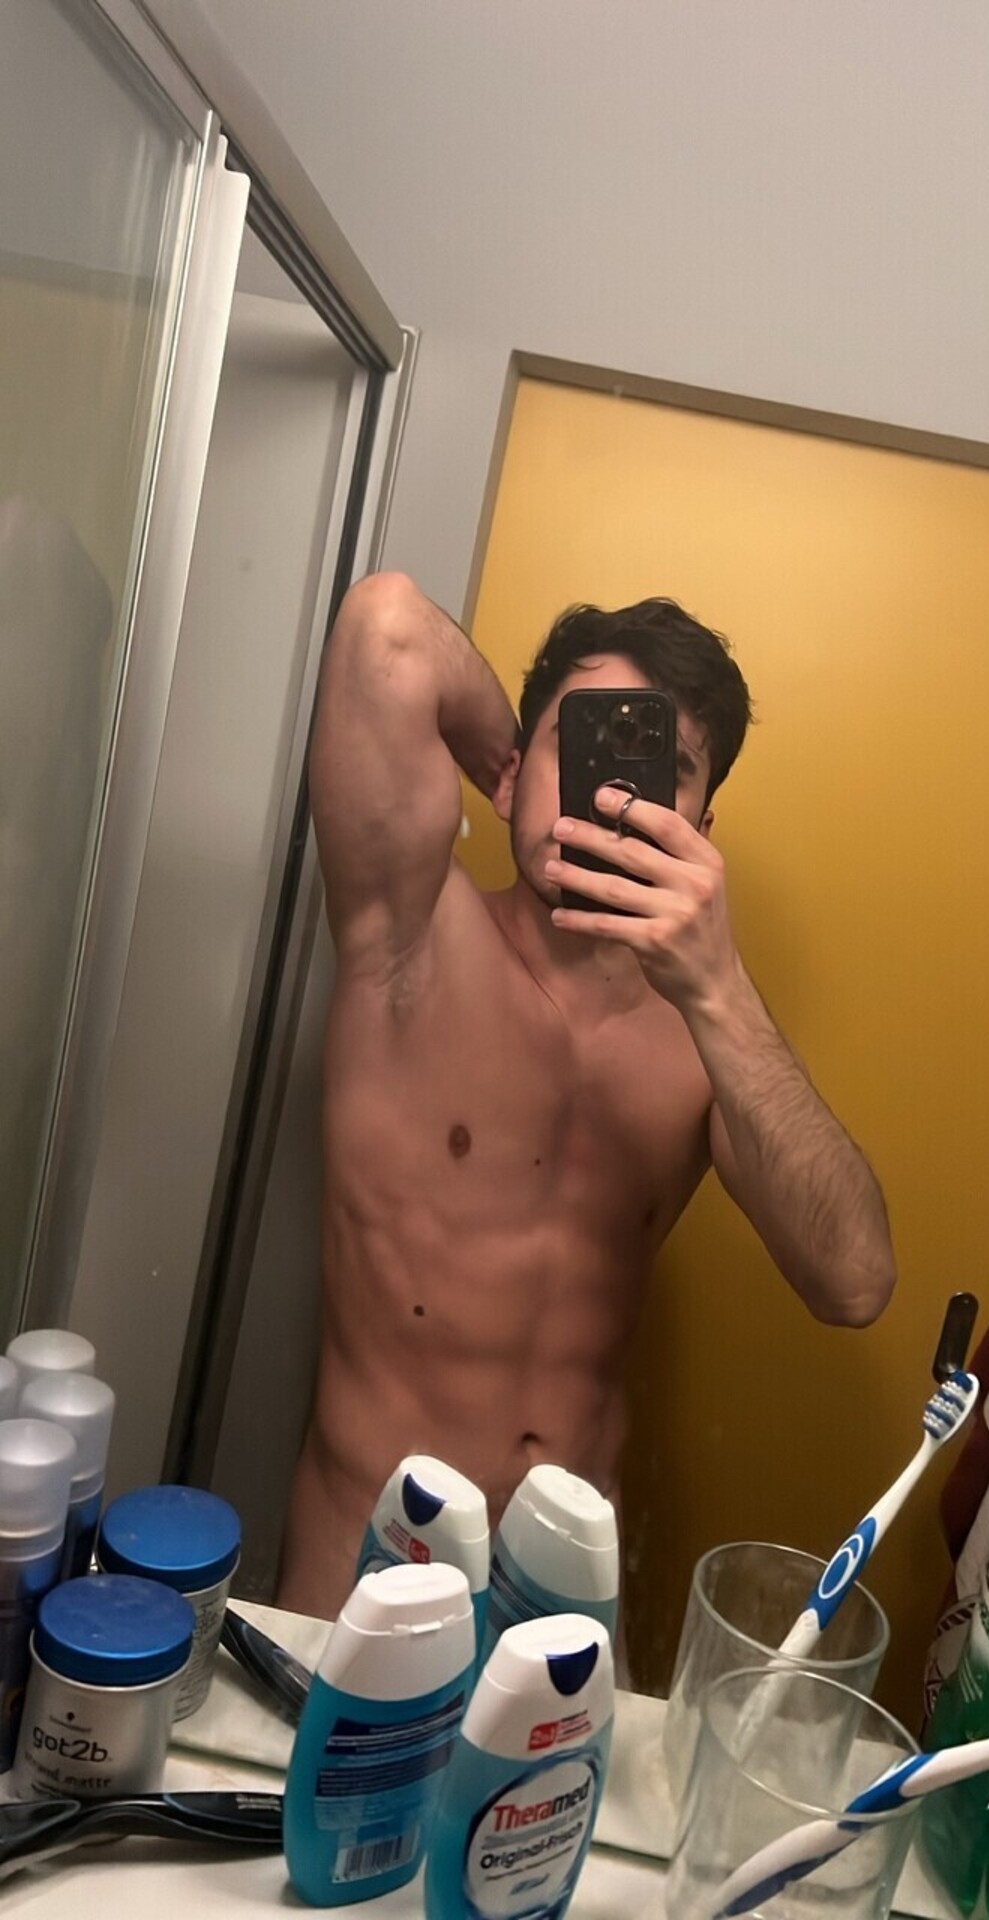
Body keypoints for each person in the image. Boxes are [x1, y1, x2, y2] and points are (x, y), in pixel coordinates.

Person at [276, 572, 896, 1618]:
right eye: (584, 743)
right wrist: (520, 778)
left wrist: (719, 987)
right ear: (512, 772)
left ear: (701, 824)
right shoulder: (412, 936)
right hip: (364, 1581)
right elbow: (385, 629)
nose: (612, 795)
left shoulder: (709, 1042)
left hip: (562, 1611)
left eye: (662, 771)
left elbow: (856, 1282)